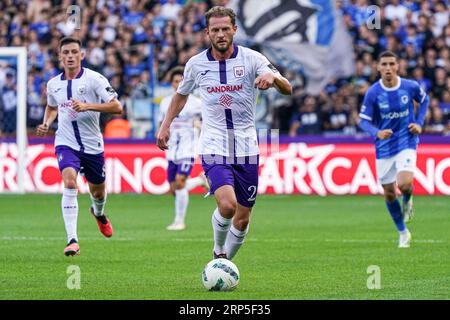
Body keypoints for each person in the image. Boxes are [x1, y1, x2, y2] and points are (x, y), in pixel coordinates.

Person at [157, 6, 292, 260]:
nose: (220, 34)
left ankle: (224, 264)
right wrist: (166, 125)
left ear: (234, 30)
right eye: (215, 30)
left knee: (242, 219)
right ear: (207, 32)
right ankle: (218, 251)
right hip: (213, 143)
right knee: (228, 206)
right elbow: (180, 96)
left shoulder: (253, 59)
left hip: (246, 146)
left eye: (225, 29)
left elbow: (288, 88)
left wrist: (272, 77)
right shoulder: (196, 64)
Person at [36, 37, 123, 256]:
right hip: (66, 142)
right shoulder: (53, 84)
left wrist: (87, 106)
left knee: (98, 192)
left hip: (93, 145)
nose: (70, 56)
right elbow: (52, 107)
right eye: (66, 52)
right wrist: (46, 122)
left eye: (74, 52)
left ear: (81, 55)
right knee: (69, 181)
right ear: (60, 57)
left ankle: (99, 213)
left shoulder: (95, 79)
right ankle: (72, 239)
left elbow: (117, 106)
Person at [359, 51, 429, 248]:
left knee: (404, 184)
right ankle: (403, 232)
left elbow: (424, 100)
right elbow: (363, 121)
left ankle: (408, 200)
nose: (388, 68)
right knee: (389, 193)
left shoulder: (410, 86)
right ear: (378, 67)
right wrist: (377, 132)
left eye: (392, 64)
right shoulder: (373, 92)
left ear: (398, 66)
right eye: (384, 64)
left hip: (406, 140)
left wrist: (419, 123)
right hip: (384, 146)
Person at [157, 66, 209, 231]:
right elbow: (161, 123)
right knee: (174, 188)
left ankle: (179, 221)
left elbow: (209, 121)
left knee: (180, 183)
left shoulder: (197, 103)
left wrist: (200, 125)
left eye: (181, 81)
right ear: (171, 84)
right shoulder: (166, 102)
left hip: (188, 147)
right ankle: (200, 180)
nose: (178, 84)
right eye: (175, 81)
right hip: (172, 148)